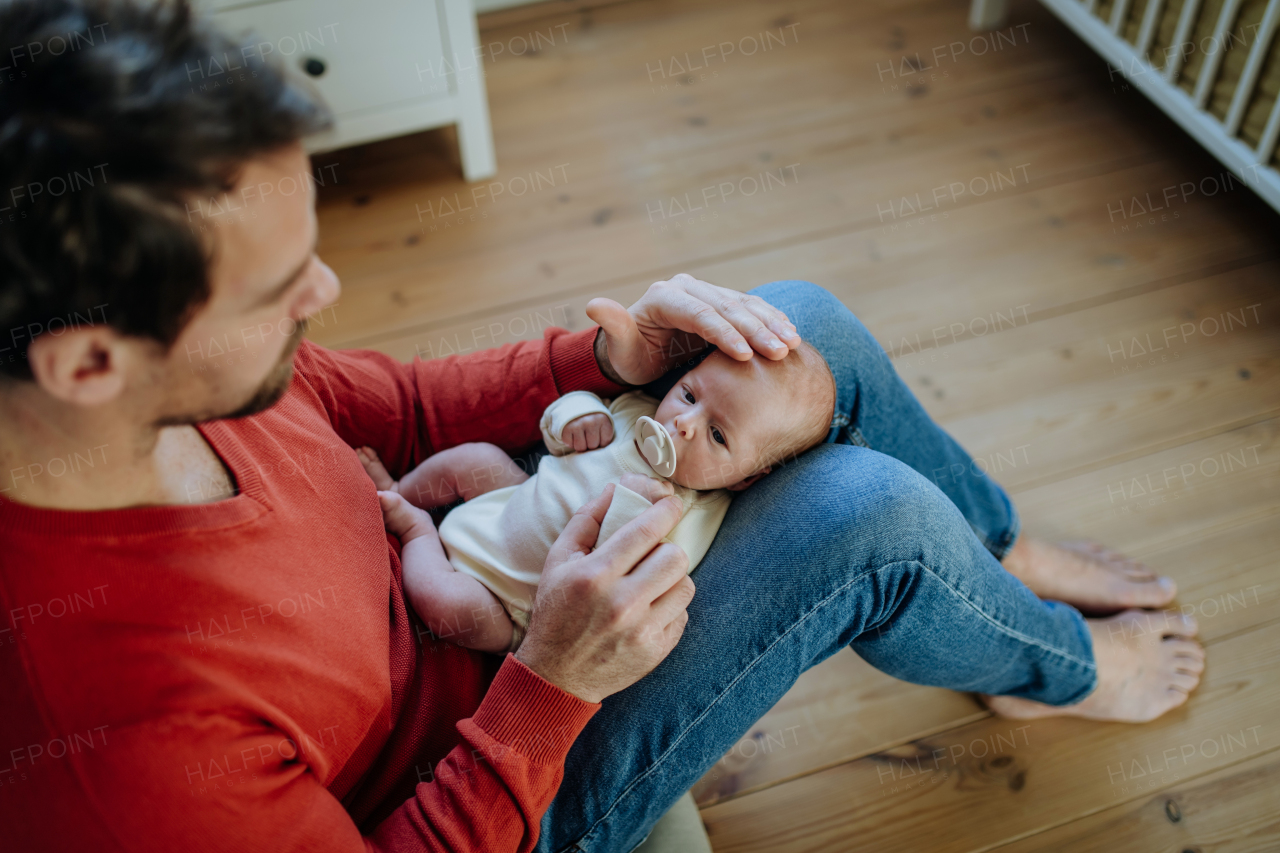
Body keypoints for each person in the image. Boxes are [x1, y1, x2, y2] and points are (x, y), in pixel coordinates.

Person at [0, 2, 1204, 852]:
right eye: (278, 292)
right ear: (92, 360)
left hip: (492, 585)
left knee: (792, 330)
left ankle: (985, 564)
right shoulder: (121, 755)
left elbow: (398, 406)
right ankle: (1063, 669)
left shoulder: (164, 387)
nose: (321, 301)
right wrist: (548, 685)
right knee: (867, 516)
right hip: (496, 776)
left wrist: (605, 358)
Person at [357, 342, 836, 654]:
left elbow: (648, 575)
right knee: (475, 459)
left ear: (747, 478)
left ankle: (415, 529)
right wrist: (574, 417)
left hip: (514, 602)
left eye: (716, 434)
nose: (684, 423)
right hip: (511, 499)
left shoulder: (695, 511)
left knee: (452, 611)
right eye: (689, 395)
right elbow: (561, 427)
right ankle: (401, 489)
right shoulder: (635, 412)